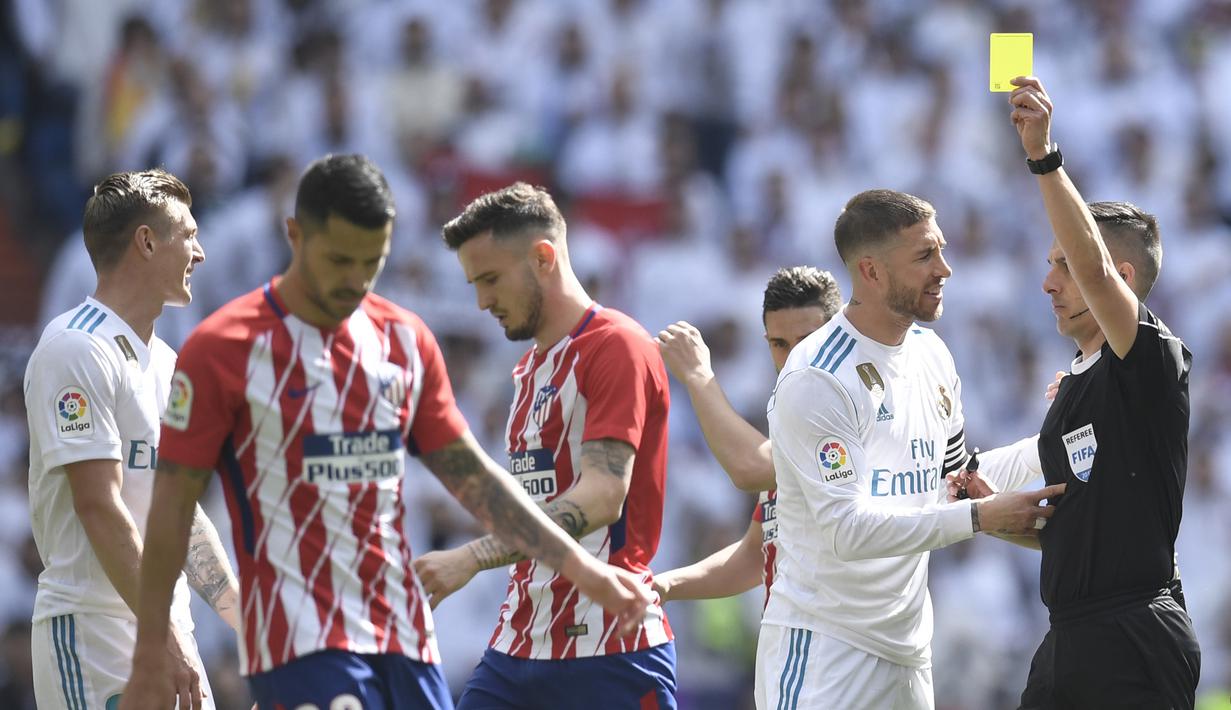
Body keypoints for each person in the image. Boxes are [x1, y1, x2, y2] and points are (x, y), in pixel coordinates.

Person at [119, 156, 652, 710]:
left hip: (405, 638)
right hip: (301, 644)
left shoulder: (403, 340)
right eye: (339, 260)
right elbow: (172, 511)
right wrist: (151, 649)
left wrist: (582, 569)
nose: (354, 281)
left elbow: (476, 482)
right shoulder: (222, 349)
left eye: (370, 264)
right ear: (295, 236)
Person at [758, 187, 1066, 710]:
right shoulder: (817, 377)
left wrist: (1060, 434)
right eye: (925, 255)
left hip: (908, 651)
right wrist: (978, 517)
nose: (944, 269)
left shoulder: (932, 354)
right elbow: (846, 531)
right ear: (872, 271)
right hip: (826, 651)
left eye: (941, 249)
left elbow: (952, 480)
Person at [415, 182, 676, 709]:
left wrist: (470, 556)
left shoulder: (616, 346)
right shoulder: (530, 369)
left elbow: (603, 497)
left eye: (489, 279)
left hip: (608, 648)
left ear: (542, 258)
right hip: (517, 644)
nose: (482, 301)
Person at [1001, 75, 1200, 709]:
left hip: (1137, 634)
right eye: (1050, 264)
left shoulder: (1149, 356)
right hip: (1068, 635)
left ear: (1122, 276)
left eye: (1064, 264)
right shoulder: (1070, 392)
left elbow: (1092, 266)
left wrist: (1042, 156)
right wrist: (989, 511)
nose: (1050, 282)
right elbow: (1072, 534)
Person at [23, 169, 241, 710]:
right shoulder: (76, 348)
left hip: (165, 626)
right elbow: (99, 506)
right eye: (189, 235)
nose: (202, 253)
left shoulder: (167, 363)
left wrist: (246, 621)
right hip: (95, 633)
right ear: (146, 241)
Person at [651, 266, 841, 606]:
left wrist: (697, 374)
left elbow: (751, 468)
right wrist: (664, 585)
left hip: (840, 648)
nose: (794, 358)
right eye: (779, 344)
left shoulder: (850, 410)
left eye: (807, 341)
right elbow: (756, 556)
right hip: (790, 648)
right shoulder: (792, 419)